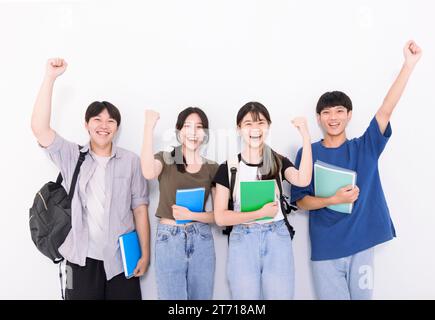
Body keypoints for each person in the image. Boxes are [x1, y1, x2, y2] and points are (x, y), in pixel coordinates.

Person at [291, 41, 422, 299]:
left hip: (361, 246)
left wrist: (408, 65)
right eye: (326, 112)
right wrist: (333, 199)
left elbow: (386, 108)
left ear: (349, 115)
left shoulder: (366, 147)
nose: (333, 117)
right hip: (325, 250)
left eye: (339, 111)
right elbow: (301, 201)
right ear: (319, 118)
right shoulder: (308, 153)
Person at [31, 58, 150, 300]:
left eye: (110, 121)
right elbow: (40, 129)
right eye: (97, 119)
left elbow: (139, 210)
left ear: (117, 127)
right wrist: (50, 78)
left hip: (121, 262)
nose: (103, 126)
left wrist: (145, 254)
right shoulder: (72, 155)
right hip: (80, 260)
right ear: (87, 125)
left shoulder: (131, 161)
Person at [213, 102, 312, 299]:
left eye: (261, 123)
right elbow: (220, 217)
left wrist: (306, 137)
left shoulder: (278, 161)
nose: (255, 129)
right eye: (248, 123)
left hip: (277, 238)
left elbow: (303, 179)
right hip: (242, 239)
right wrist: (260, 213)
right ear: (239, 128)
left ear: (268, 126)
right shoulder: (228, 167)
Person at [141, 108, 219, 299]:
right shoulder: (166, 159)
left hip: (201, 239)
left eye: (199, 127)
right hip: (169, 239)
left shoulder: (213, 167)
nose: (193, 132)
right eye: (187, 126)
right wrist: (148, 127)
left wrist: (191, 215)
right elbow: (148, 172)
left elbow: (219, 215)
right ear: (178, 131)